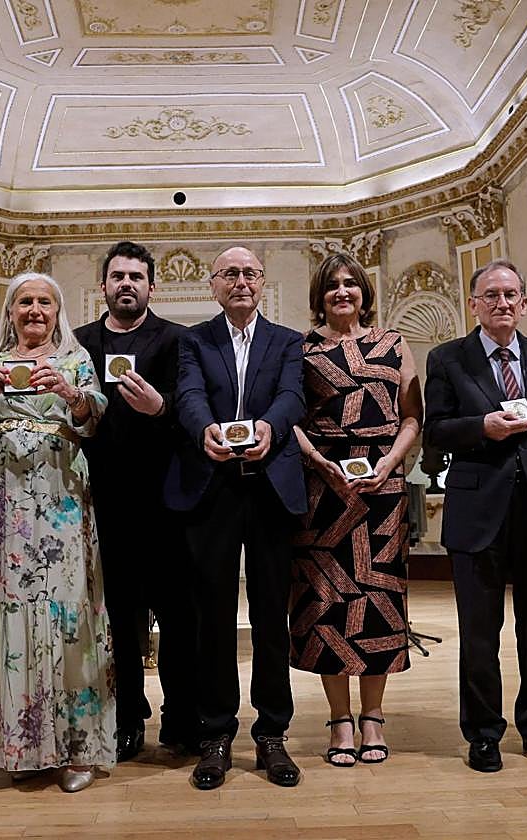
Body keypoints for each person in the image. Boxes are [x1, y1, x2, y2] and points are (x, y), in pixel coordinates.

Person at [0, 271, 115, 794]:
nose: (35, 310)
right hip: (2, 507)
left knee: (66, 613)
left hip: (61, 500)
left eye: (45, 301)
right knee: (4, 611)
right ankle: (13, 745)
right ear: (10, 310)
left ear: (57, 310)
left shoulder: (75, 359)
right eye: (25, 301)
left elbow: (97, 415)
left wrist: (68, 391)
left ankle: (76, 749)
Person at [164, 245, 307, 790]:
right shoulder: (193, 341)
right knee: (213, 619)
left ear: (262, 282)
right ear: (213, 284)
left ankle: (272, 734)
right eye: (230, 273)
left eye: (249, 273)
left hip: (271, 489)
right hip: (214, 488)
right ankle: (216, 733)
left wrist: (270, 426)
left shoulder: (289, 341)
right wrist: (205, 430)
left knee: (273, 618)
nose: (240, 282)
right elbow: (189, 397)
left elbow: (293, 394)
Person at [423, 259, 527, 773]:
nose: (502, 303)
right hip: (477, 509)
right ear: (474, 304)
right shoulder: (447, 359)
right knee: (480, 633)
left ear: (524, 304)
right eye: (491, 295)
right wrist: (481, 426)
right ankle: (483, 734)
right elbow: (435, 430)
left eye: (511, 295)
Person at [290, 252, 423, 767]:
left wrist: (390, 460)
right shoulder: (301, 349)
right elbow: (289, 416)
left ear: (365, 292)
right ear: (319, 296)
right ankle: (339, 719)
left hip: (381, 490)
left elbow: (412, 416)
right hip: (323, 491)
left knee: (378, 600)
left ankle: (373, 717)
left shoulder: (392, 343)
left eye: (351, 284)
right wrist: (320, 462)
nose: (342, 292)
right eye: (332, 286)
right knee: (327, 605)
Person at [74, 241, 198, 760]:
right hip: (102, 503)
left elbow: (193, 409)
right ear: (103, 285)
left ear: (152, 286)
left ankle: (182, 717)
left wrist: (161, 406)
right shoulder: (78, 343)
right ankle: (127, 718)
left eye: (137, 277)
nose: (127, 284)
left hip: (168, 503)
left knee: (178, 618)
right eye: (118, 276)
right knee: (119, 620)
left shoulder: (178, 340)